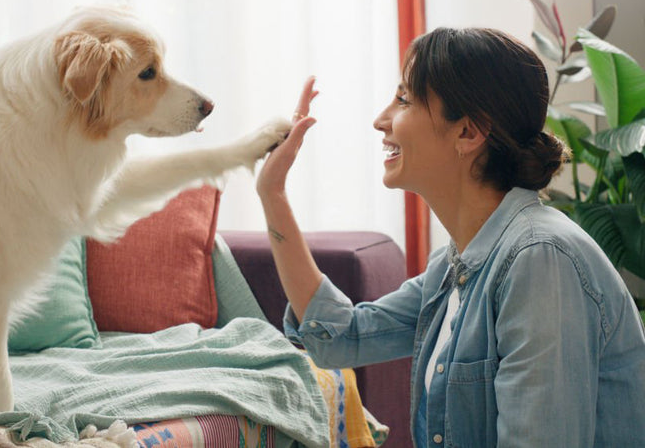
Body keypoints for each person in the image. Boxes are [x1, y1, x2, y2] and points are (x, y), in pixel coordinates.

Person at [255, 27, 645, 447]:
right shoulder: (456, 264)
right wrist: (272, 193)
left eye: (403, 100)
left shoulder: (539, 259)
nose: (380, 120)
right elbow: (341, 337)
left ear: (468, 133)